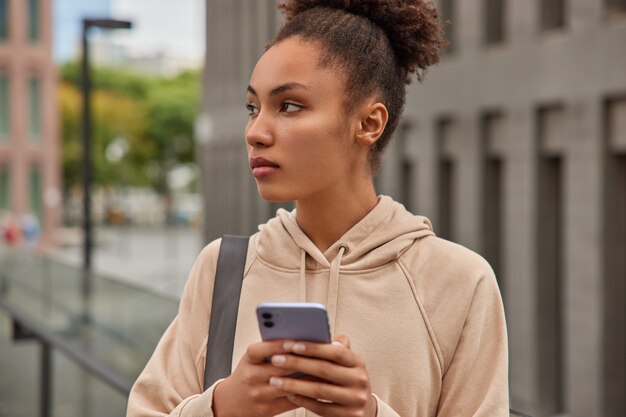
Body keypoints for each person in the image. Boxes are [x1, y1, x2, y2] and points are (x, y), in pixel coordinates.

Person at [127, 1, 509, 416]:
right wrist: (223, 406)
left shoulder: (458, 282)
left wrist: (370, 413)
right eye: (253, 108)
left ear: (368, 123)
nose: (255, 132)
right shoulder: (223, 268)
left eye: (289, 106)